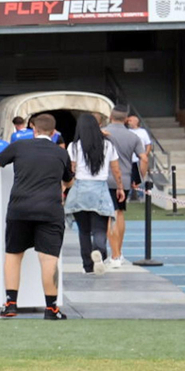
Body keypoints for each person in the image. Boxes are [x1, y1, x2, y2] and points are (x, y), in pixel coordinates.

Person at [0, 114, 73, 319]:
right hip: (50, 210)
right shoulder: (61, 153)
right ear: (54, 133)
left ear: (33, 129)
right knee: (49, 259)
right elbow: (69, 180)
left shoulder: (19, 146)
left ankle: (10, 304)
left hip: (20, 208)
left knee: (14, 255)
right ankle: (51, 309)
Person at [65, 113, 121, 275]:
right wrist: (119, 187)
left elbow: (72, 169)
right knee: (99, 229)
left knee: (83, 230)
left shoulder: (74, 147)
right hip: (100, 190)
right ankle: (100, 251)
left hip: (80, 189)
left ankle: (87, 266)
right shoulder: (108, 145)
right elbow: (116, 170)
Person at [102, 109, 144, 268]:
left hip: (105, 178)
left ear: (110, 117)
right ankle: (118, 251)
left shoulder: (102, 133)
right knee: (119, 213)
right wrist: (139, 178)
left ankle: (114, 254)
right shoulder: (133, 136)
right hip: (125, 179)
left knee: (107, 215)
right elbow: (144, 158)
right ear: (126, 119)